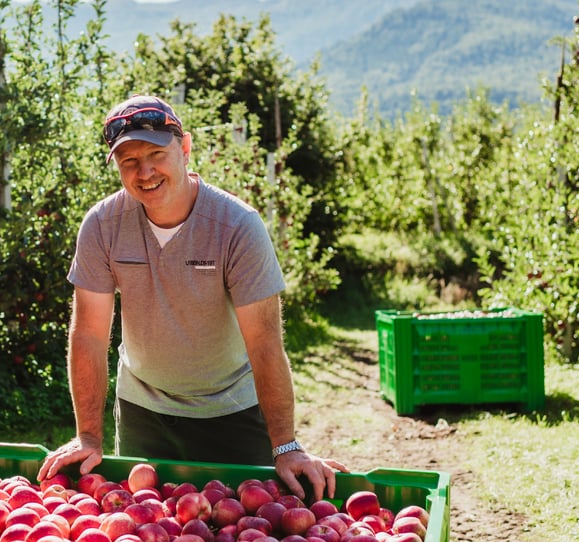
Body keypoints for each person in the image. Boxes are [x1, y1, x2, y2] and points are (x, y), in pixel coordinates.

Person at [36, 94, 346, 501]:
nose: (144, 171)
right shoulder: (102, 226)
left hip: (233, 409)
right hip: (143, 411)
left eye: (155, 153)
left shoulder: (237, 226)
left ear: (184, 148)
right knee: (149, 535)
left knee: (245, 526)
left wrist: (285, 446)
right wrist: (88, 437)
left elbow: (265, 341)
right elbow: (90, 335)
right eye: (129, 160)